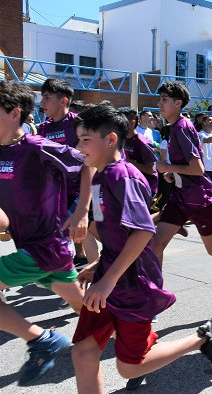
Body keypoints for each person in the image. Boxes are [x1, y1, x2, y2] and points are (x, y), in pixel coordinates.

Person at [71, 105, 212, 393]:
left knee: (130, 366)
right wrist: (99, 266)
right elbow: (118, 234)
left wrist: (107, 279)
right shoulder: (99, 176)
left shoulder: (124, 176)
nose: (78, 146)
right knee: (83, 352)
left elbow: (143, 231)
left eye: (85, 139)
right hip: (111, 275)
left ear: (110, 140)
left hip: (133, 284)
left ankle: (203, 339)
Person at [0, 80, 87, 386]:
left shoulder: (35, 147)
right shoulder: (1, 151)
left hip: (45, 247)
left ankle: (42, 340)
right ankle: (139, 333)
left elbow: (88, 163)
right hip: (35, 245)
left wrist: (82, 212)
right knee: (86, 309)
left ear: (14, 113)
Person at [149, 82, 212, 264]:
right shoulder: (174, 127)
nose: (159, 103)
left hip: (198, 200)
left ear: (178, 103)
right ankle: (154, 291)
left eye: (164, 99)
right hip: (180, 197)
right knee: (156, 245)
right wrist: (174, 174)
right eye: (159, 99)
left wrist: (167, 167)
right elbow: (186, 165)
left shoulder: (182, 127)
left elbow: (198, 168)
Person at [38, 78, 93, 271]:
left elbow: (89, 160)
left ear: (63, 101)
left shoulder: (79, 124)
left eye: (46, 97)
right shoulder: (43, 128)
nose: (41, 102)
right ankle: (84, 265)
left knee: (93, 229)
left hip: (84, 190)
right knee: (81, 232)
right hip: (58, 192)